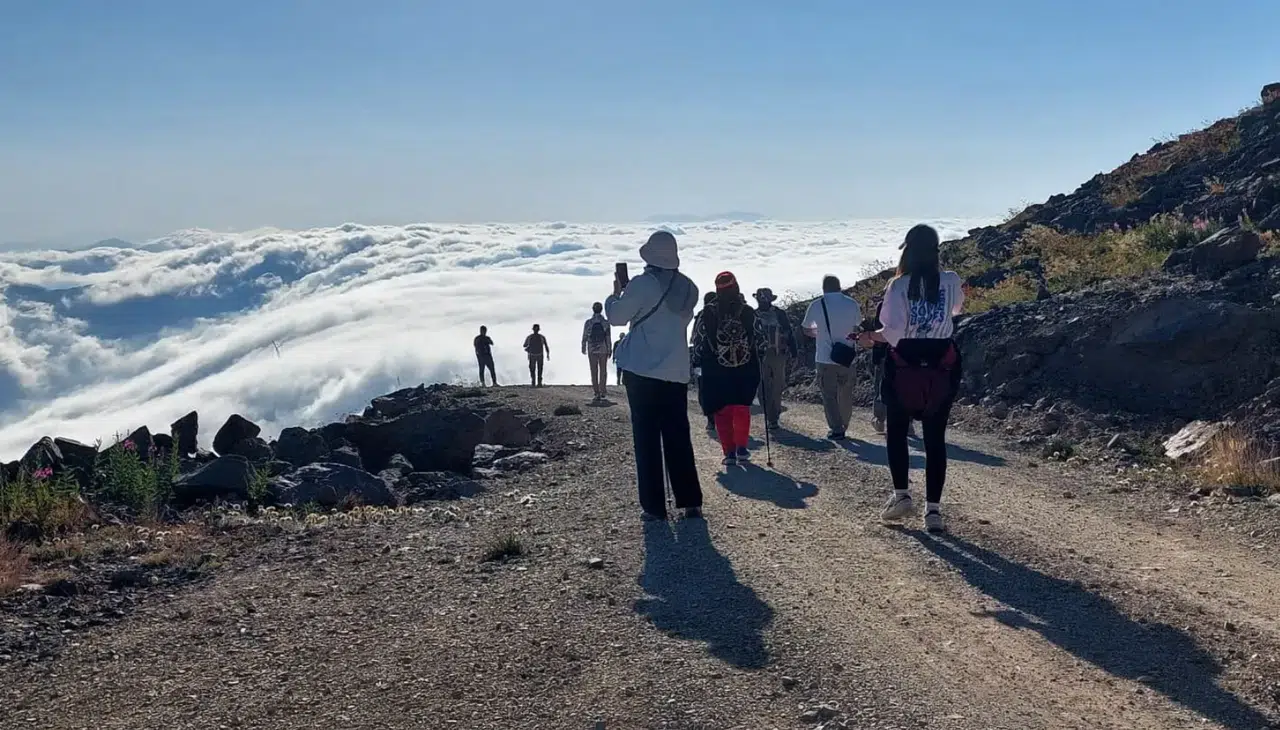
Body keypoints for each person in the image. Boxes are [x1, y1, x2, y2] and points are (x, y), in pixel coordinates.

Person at [857, 224, 966, 534]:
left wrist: (868, 337)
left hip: (904, 365)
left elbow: (891, 332)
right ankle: (933, 511)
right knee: (935, 439)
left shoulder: (898, 286)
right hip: (942, 366)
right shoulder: (950, 281)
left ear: (907, 250)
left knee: (897, 433)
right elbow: (956, 310)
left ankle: (902, 495)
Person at [606, 230, 702, 521]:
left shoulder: (642, 285)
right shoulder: (689, 287)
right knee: (678, 436)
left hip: (643, 371)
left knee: (646, 438)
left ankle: (654, 507)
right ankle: (690, 501)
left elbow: (616, 317)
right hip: (675, 370)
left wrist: (615, 294)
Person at [692, 272, 768, 467]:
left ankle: (729, 453)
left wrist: (697, 362)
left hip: (715, 369)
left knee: (721, 410)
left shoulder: (707, 313)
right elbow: (762, 340)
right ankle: (742, 448)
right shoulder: (748, 311)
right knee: (741, 407)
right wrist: (759, 356)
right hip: (745, 367)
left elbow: (698, 341)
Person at [801, 275, 862, 440]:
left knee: (829, 395)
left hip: (824, 357)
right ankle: (845, 423)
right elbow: (857, 327)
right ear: (839, 286)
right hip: (847, 357)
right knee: (846, 393)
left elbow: (806, 329)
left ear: (823, 288)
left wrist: (819, 334)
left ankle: (836, 428)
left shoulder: (816, 305)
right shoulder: (851, 303)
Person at [752, 287, 798, 431]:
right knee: (763, 387)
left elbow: (789, 332)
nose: (763, 301)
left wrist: (794, 351)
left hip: (779, 353)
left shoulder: (780, 314)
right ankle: (770, 417)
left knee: (778, 385)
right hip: (760, 355)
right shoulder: (752, 315)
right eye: (761, 299)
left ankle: (774, 415)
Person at [692, 292, 718, 434]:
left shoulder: (703, 315)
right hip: (725, 361)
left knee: (704, 389)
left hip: (705, 361)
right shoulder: (727, 313)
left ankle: (710, 419)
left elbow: (697, 339)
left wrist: (695, 361)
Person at [581, 302, 613, 400]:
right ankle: (602, 391)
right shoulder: (605, 323)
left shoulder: (588, 322)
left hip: (591, 348)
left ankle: (596, 392)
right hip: (603, 348)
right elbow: (608, 337)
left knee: (593, 370)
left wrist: (583, 346)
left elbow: (585, 336)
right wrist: (609, 349)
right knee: (603, 371)